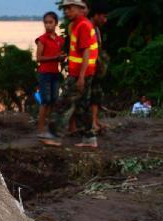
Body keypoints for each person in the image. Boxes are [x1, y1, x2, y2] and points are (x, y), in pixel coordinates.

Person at [42, 0, 99, 148]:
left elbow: (86, 52)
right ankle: (89, 138)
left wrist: (81, 77)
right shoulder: (74, 25)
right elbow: (76, 49)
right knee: (83, 105)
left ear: (80, 9)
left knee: (63, 102)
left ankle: (54, 135)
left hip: (81, 74)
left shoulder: (83, 26)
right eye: (65, 8)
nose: (66, 11)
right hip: (82, 72)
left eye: (70, 8)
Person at [35, 11, 64, 139]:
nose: (48, 25)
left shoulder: (60, 40)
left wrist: (61, 58)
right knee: (44, 102)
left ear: (56, 23)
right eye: (46, 23)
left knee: (53, 101)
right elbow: (39, 58)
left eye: (50, 22)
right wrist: (55, 57)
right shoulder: (42, 39)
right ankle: (41, 130)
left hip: (55, 73)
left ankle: (49, 128)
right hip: (44, 73)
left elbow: (61, 57)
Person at [88, 3, 109, 135]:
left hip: (95, 69)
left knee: (95, 96)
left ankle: (94, 121)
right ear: (96, 15)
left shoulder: (96, 29)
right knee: (83, 98)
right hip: (88, 68)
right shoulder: (88, 28)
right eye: (103, 17)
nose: (105, 20)